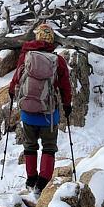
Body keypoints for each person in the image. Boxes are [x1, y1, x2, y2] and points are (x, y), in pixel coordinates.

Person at [8, 24, 72, 194]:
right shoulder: (58, 61)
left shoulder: (26, 56)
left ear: (37, 38)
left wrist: (11, 92)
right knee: (49, 147)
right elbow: (65, 86)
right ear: (51, 40)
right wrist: (67, 105)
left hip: (27, 112)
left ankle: (31, 179)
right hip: (48, 114)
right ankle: (43, 182)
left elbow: (17, 78)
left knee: (29, 145)